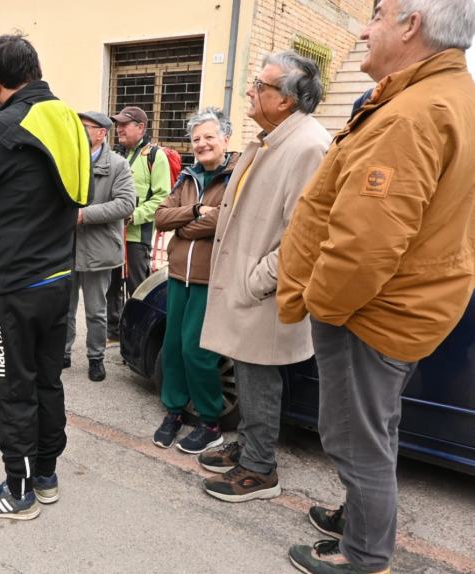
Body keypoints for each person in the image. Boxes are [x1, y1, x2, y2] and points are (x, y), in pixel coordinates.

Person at [278, 2, 475, 572]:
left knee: (354, 439)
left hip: (370, 313)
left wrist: (322, 305)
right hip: (410, 306)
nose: (364, 29)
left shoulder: (410, 114)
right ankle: (359, 520)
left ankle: (363, 556)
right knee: (378, 427)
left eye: (379, 14)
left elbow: (364, 245)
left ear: (412, 25)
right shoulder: (450, 97)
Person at [0, 33, 92, 520]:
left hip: (10, 285)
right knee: (47, 381)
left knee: (11, 389)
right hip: (57, 277)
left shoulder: (5, 124)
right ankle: (45, 473)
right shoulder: (68, 118)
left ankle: (19, 489)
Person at [197, 51, 330, 502]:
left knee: (259, 376)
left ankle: (260, 468)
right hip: (247, 285)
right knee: (248, 371)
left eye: (262, 86)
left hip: (264, 289)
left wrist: (259, 279)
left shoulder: (309, 145)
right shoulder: (273, 138)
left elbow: (306, 234)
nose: (251, 91)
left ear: (287, 100)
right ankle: (251, 446)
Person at [151, 107, 240, 453]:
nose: (202, 144)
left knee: (197, 351)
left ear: (225, 139)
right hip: (178, 276)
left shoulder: (235, 176)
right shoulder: (187, 177)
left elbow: (225, 220)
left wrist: (185, 227)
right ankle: (174, 412)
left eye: (209, 137)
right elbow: (160, 217)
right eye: (196, 138)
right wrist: (192, 212)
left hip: (210, 279)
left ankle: (210, 422)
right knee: (172, 348)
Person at [64, 111, 134, 381]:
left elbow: (127, 204)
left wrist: (84, 214)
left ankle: (96, 357)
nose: (79, 131)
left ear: (101, 133)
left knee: (96, 310)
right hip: (67, 248)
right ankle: (63, 352)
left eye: (85, 127)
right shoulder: (69, 160)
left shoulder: (117, 164)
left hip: (99, 249)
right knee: (64, 307)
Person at [105, 106, 170, 341]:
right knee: (112, 285)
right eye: (118, 125)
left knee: (137, 288)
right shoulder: (116, 155)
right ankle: (113, 332)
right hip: (112, 233)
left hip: (135, 236)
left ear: (141, 127)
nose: (119, 129)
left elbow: (162, 197)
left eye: (125, 125)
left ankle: (137, 337)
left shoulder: (154, 156)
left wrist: (135, 215)